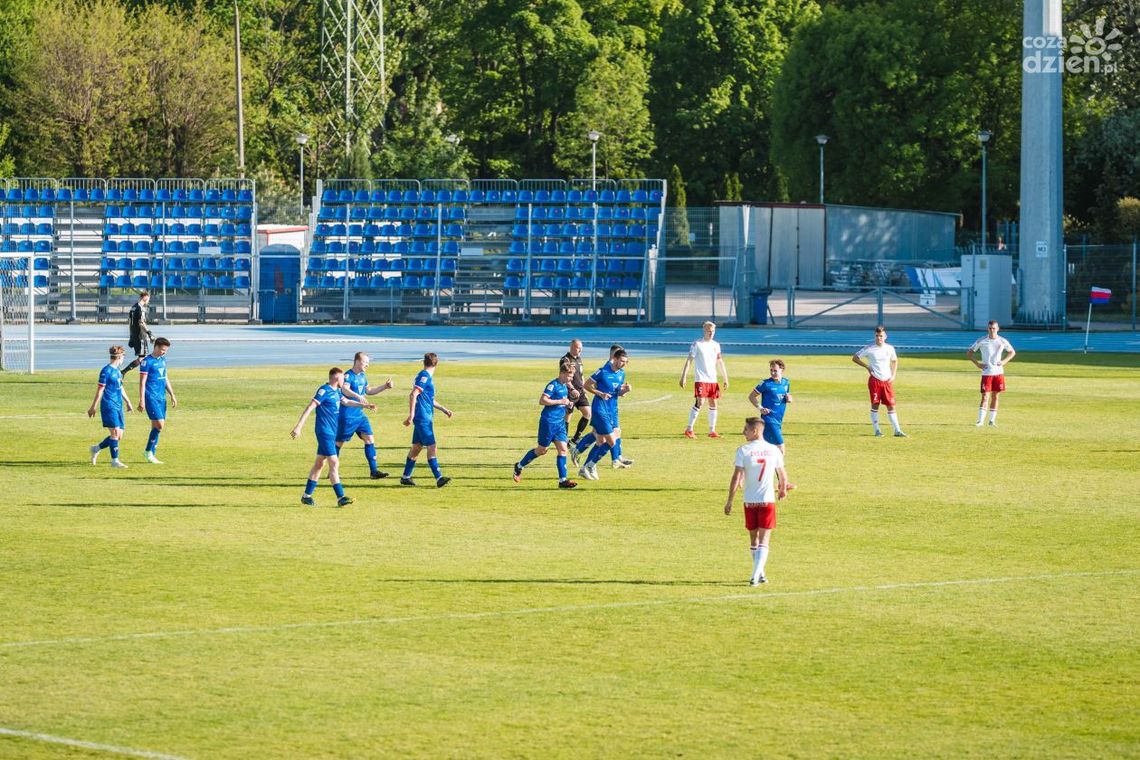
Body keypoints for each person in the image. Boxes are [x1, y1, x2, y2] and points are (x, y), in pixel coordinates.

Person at [290, 367, 375, 507]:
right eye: (342, 378)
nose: (344, 380)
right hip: (324, 432)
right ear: (337, 378)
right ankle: (341, 497)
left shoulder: (336, 391)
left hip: (331, 431)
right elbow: (310, 407)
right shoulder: (324, 390)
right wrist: (299, 427)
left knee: (319, 464)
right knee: (334, 463)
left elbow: (346, 402)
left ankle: (306, 496)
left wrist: (364, 405)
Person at [723, 417, 789, 586]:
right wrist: (782, 489)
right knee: (764, 539)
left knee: (754, 540)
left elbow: (736, 477)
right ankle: (757, 574)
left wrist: (730, 500)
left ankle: (757, 573)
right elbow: (782, 474)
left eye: (746, 429)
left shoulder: (743, 450)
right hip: (767, 500)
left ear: (755, 431)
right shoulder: (774, 450)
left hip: (749, 501)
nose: (743, 432)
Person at [512, 358, 579, 489]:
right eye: (570, 376)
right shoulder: (552, 385)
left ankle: (562, 481)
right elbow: (542, 400)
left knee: (563, 449)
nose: (571, 379)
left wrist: (568, 403)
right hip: (548, 422)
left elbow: (563, 400)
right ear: (563, 374)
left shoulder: (565, 385)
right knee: (542, 450)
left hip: (559, 423)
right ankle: (519, 466)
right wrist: (560, 401)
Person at [571, 344, 634, 469]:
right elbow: (588, 385)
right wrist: (601, 393)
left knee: (602, 437)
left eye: (626, 362)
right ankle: (613, 459)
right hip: (601, 408)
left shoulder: (621, 373)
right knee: (604, 439)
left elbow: (616, 392)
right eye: (621, 360)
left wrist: (626, 390)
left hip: (612, 408)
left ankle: (584, 458)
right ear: (614, 357)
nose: (623, 364)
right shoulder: (604, 369)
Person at [337, 351, 395, 478]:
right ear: (357, 361)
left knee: (369, 439)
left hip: (360, 415)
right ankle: (331, 470)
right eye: (365, 362)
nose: (367, 365)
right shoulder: (348, 375)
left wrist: (385, 386)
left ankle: (374, 471)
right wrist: (358, 396)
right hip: (348, 416)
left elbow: (368, 391)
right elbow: (344, 389)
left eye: (368, 363)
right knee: (338, 444)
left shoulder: (362, 376)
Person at [400, 353, 453, 487]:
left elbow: (428, 398)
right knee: (432, 446)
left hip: (425, 416)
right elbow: (413, 394)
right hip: (422, 417)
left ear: (424, 362)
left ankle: (406, 477)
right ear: (437, 363)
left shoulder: (425, 376)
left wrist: (443, 409)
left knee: (417, 447)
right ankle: (439, 477)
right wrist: (411, 415)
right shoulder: (424, 376)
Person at [851, 326, 906, 437]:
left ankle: (897, 430)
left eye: (881, 336)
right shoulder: (869, 348)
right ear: (874, 336)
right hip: (875, 380)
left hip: (887, 381)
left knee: (891, 405)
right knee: (875, 405)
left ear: (885, 337)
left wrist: (893, 375)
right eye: (877, 336)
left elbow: (894, 361)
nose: (879, 338)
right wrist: (867, 366)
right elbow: (855, 357)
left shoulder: (890, 348)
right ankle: (877, 430)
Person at [679, 321, 729, 438]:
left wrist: (725, 378)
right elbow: (689, 360)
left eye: (713, 331)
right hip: (701, 378)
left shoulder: (716, 345)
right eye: (709, 331)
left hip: (712, 379)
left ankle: (712, 430)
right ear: (704, 331)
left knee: (713, 403)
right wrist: (684, 376)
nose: (711, 333)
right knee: (700, 402)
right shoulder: (697, 344)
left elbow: (720, 361)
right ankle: (689, 429)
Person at [87, 345, 134, 469]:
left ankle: (96, 448)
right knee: (114, 432)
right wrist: (93, 407)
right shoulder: (106, 371)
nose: (124, 359)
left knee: (119, 436)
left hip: (118, 405)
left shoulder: (118, 371)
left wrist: (128, 402)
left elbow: (120, 387)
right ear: (119, 356)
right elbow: (100, 390)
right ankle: (115, 461)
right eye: (123, 356)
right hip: (109, 405)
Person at [967, 321, 1016, 427]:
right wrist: (978, 364)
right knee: (985, 396)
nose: (992, 330)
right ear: (987, 329)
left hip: (998, 373)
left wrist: (1004, 362)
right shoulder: (982, 341)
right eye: (990, 328)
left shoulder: (1002, 341)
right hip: (987, 373)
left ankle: (992, 421)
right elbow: (969, 353)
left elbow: (1012, 352)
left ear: (998, 328)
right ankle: (980, 421)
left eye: (994, 328)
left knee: (996, 396)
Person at [138, 337, 178, 464]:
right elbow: (142, 382)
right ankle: (148, 452)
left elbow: (165, 377)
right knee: (160, 425)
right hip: (151, 397)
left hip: (162, 397)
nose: (164, 352)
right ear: (155, 347)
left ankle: (151, 455)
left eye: (165, 350)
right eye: (162, 350)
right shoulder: (147, 362)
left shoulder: (163, 360)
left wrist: (172, 394)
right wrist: (142, 400)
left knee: (156, 426)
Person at [748, 359, 793, 454]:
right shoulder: (765, 384)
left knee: (766, 451)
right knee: (781, 449)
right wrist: (760, 408)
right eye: (771, 370)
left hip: (779, 420)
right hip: (769, 420)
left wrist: (789, 399)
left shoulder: (786, 382)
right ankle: (780, 468)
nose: (772, 373)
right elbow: (751, 396)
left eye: (775, 370)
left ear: (782, 370)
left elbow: (787, 395)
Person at [562, 339, 591, 444]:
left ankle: (575, 438)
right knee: (568, 416)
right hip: (570, 392)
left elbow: (581, 375)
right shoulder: (565, 360)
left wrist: (584, 390)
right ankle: (563, 440)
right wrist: (572, 389)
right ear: (572, 347)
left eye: (581, 348)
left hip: (580, 391)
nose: (580, 350)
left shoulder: (579, 359)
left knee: (588, 413)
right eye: (578, 348)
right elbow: (565, 377)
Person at [120, 291, 153, 377]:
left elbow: (130, 322)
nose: (148, 301)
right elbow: (141, 322)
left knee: (143, 358)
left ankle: (145, 374)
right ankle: (123, 372)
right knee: (142, 358)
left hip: (135, 335)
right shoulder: (140, 308)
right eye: (148, 299)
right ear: (145, 297)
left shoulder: (133, 307)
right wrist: (149, 333)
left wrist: (131, 336)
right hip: (140, 336)